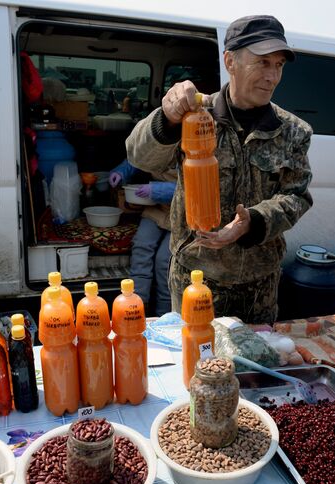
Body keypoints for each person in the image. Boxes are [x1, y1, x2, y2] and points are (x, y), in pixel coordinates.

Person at [126, 14, 313, 324]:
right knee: (197, 367)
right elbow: (139, 157)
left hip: (259, 289)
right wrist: (167, 118)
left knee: (257, 368)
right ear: (230, 61)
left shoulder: (293, 131)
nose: (272, 76)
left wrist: (252, 221)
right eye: (262, 62)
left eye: (278, 65)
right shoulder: (195, 116)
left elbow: (297, 197)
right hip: (197, 282)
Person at [109, 159, 176, 316]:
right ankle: (137, 308)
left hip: (184, 213)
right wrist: (121, 172)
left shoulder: (193, 145)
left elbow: (193, 188)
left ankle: (163, 315)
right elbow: (140, 155)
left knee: (164, 261)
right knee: (141, 245)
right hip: (157, 208)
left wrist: (157, 190)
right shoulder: (161, 139)